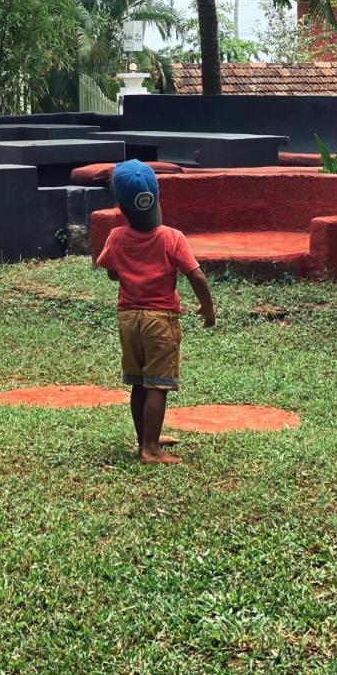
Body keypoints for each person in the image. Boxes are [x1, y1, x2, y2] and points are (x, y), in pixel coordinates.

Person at [96, 160, 216, 464]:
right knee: (158, 386)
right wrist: (207, 307)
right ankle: (150, 449)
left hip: (128, 320)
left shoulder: (116, 237)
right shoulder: (171, 237)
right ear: (157, 197)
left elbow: (111, 273)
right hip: (160, 321)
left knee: (138, 381)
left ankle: (145, 437)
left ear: (121, 208)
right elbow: (196, 276)